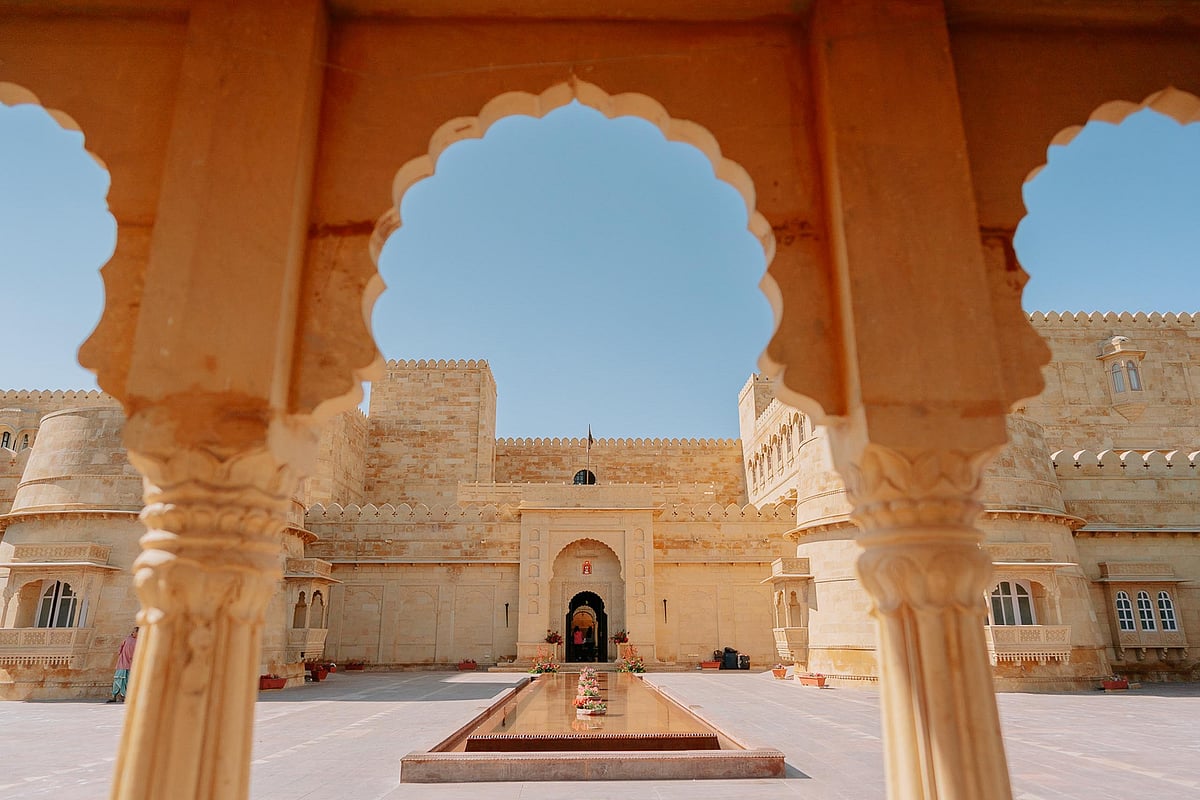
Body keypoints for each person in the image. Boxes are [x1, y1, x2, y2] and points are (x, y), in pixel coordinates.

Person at [107, 627, 138, 703]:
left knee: (127, 680)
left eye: (134, 632)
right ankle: (114, 696)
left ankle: (124, 696)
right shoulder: (128, 639)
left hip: (131, 664)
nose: (132, 633)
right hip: (122, 662)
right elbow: (121, 647)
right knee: (118, 678)